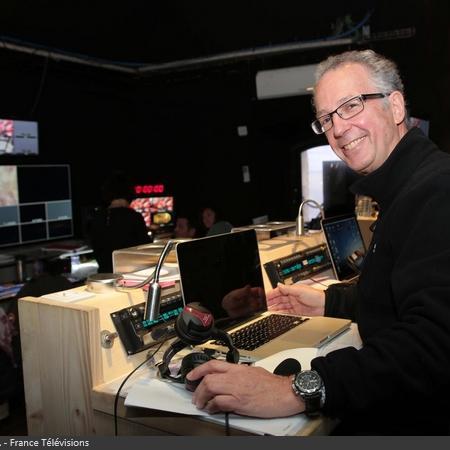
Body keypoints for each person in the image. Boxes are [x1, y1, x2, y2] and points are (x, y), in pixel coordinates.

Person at [186, 49, 450, 435]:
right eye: (326, 118)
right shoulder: (407, 189)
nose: (338, 129)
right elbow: (399, 295)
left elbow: (433, 343)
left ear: (395, 106)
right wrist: (330, 300)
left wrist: (297, 389)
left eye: (351, 105)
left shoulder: (436, 190)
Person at [88, 171, 151, 273]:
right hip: (129, 277)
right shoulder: (134, 217)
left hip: (105, 276)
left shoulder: (97, 217)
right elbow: (147, 250)